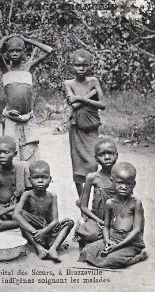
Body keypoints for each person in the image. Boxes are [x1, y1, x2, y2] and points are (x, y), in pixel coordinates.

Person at [0, 34, 53, 162]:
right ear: (7, 53)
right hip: (11, 118)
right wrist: (7, 38)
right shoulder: (6, 70)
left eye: (18, 50)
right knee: (11, 152)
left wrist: (28, 40)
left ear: (24, 52)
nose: (14, 53)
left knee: (30, 152)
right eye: (11, 51)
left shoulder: (28, 67)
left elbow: (49, 50)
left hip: (27, 118)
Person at [79, 162, 148, 268]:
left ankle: (138, 257)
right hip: (113, 237)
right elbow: (106, 227)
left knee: (110, 260)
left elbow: (137, 230)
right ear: (112, 181)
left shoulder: (135, 203)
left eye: (128, 184)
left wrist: (117, 246)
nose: (124, 187)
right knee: (86, 252)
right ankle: (113, 252)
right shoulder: (110, 203)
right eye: (120, 183)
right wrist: (107, 241)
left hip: (130, 242)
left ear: (133, 184)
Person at [64, 49, 106, 198]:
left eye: (84, 65)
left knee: (94, 162)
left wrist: (81, 99)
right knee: (77, 165)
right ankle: (82, 201)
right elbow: (73, 106)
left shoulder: (94, 81)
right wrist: (89, 95)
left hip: (91, 128)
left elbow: (102, 104)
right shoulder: (68, 83)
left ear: (89, 66)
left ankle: (95, 197)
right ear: (72, 66)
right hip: (76, 129)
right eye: (77, 65)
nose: (81, 68)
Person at [13, 161, 74, 262]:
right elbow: (16, 215)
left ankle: (53, 248)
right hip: (33, 233)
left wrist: (43, 231)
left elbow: (55, 220)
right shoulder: (27, 195)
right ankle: (39, 248)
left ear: (50, 179)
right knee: (22, 216)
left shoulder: (52, 196)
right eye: (36, 177)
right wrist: (35, 232)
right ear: (30, 179)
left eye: (44, 177)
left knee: (69, 222)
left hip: (48, 231)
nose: (40, 181)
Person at [74, 138, 118, 249]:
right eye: (102, 154)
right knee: (92, 234)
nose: (107, 157)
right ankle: (82, 226)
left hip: (116, 219)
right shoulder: (92, 177)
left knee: (123, 234)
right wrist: (100, 221)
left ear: (117, 155)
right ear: (96, 158)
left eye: (111, 153)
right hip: (97, 220)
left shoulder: (121, 176)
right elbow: (83, 206)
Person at [0, 136, 32, 232]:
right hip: (1, 210)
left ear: (15, 154)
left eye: (6, 152)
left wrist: (5, 211)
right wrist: (3, 211)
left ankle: (20, 221)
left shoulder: (23, 167)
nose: (2, 155)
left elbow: (28, 199)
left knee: (31, 212)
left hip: (19, 209)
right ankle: (21, 223)